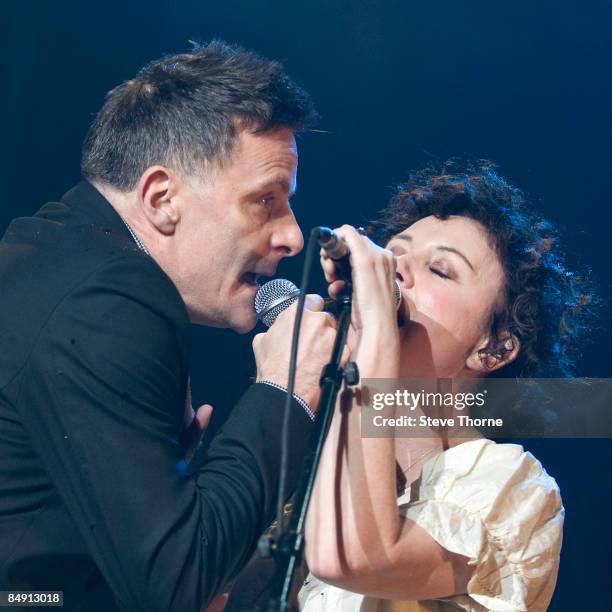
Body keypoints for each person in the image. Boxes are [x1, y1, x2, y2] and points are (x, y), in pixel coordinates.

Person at [0, 41, 338, 611]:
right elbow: (174, 588)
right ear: (162, 198)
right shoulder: (109, 300)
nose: (293, 237)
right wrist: (286, 389)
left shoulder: (53, 249)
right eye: (264, 201)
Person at [300, 161, 594, 611]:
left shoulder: (512, 488)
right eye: (392, 253)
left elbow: (350, 555)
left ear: (493, 348)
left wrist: (375, 328)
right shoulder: (320, 459)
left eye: (440, 269)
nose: (394, 270)